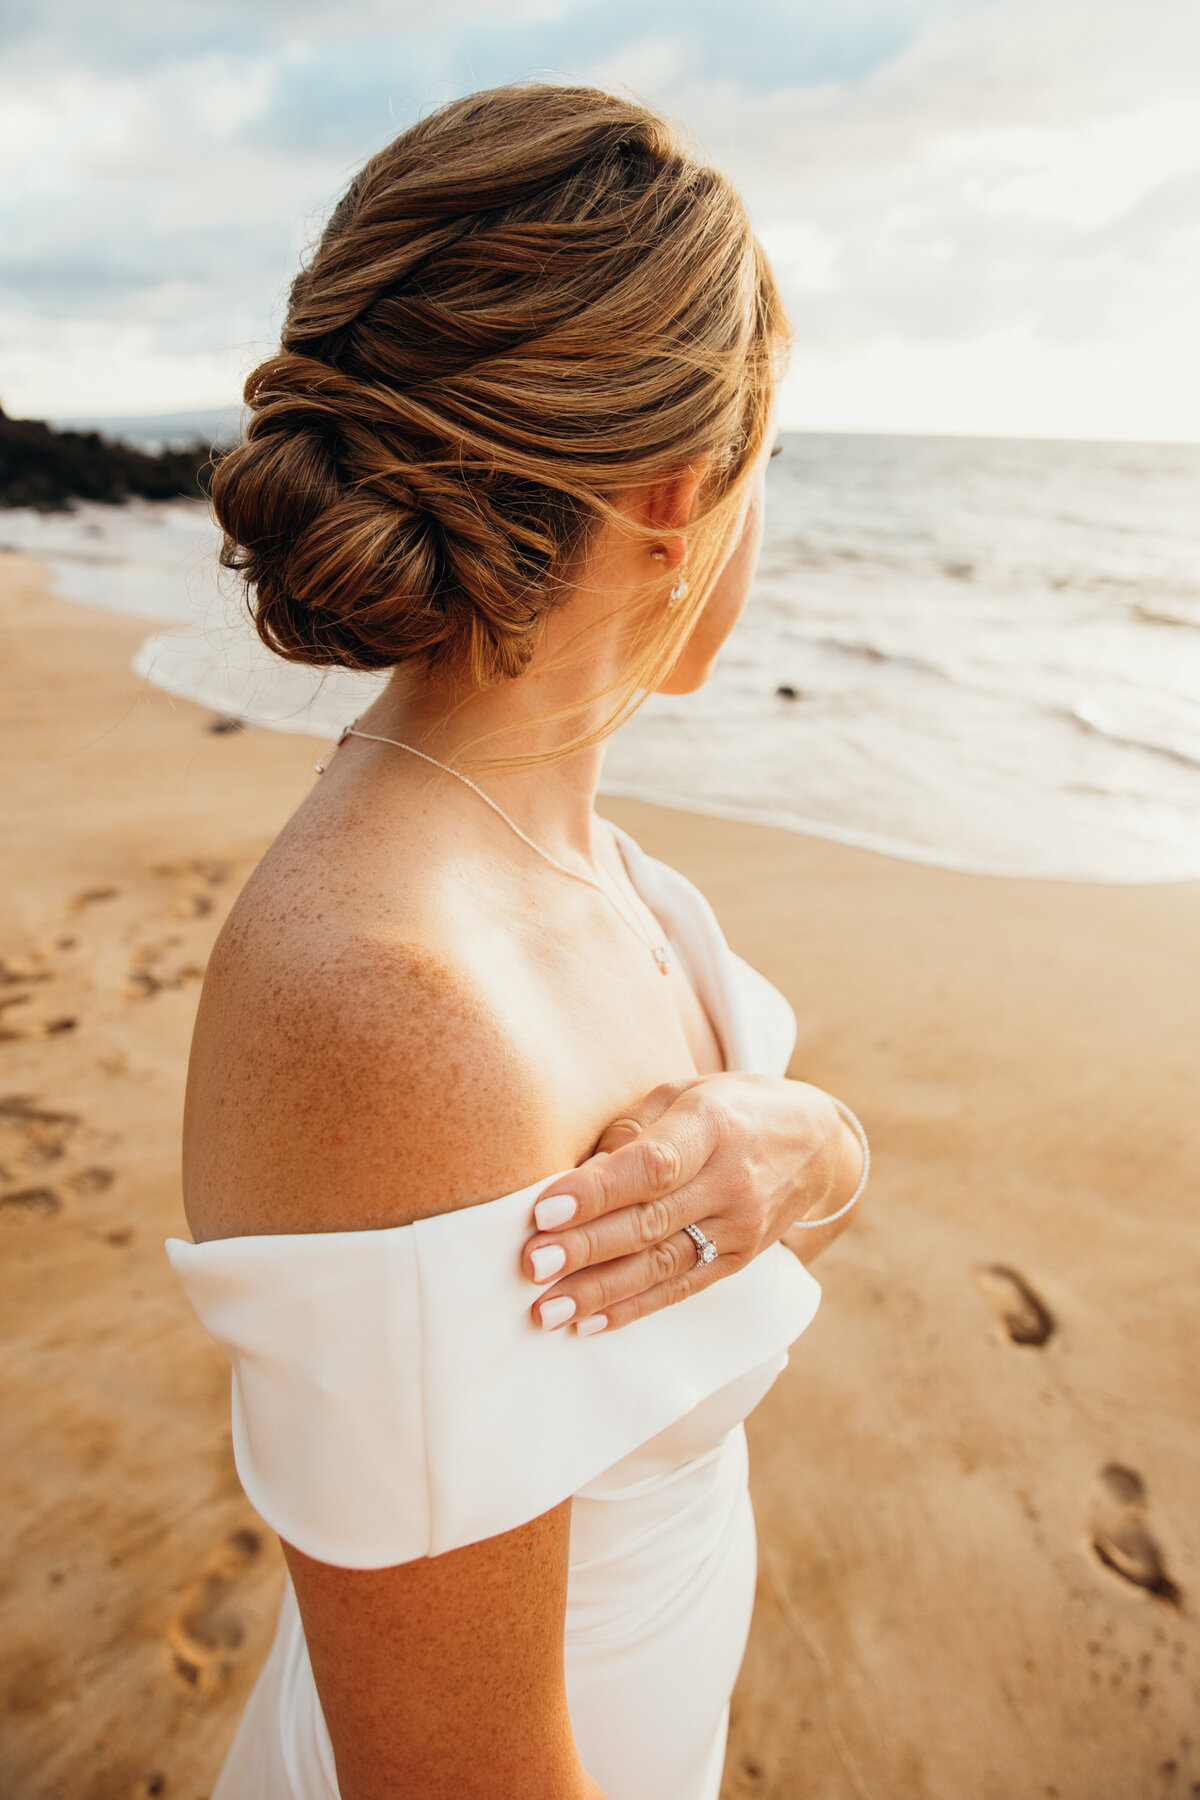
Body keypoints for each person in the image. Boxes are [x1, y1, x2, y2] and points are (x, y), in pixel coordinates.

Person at [168, 83, 869, 1800]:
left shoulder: (592, 867)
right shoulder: (394, 1006)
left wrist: (806, 1146)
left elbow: (767, 1205)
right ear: (673, 501)